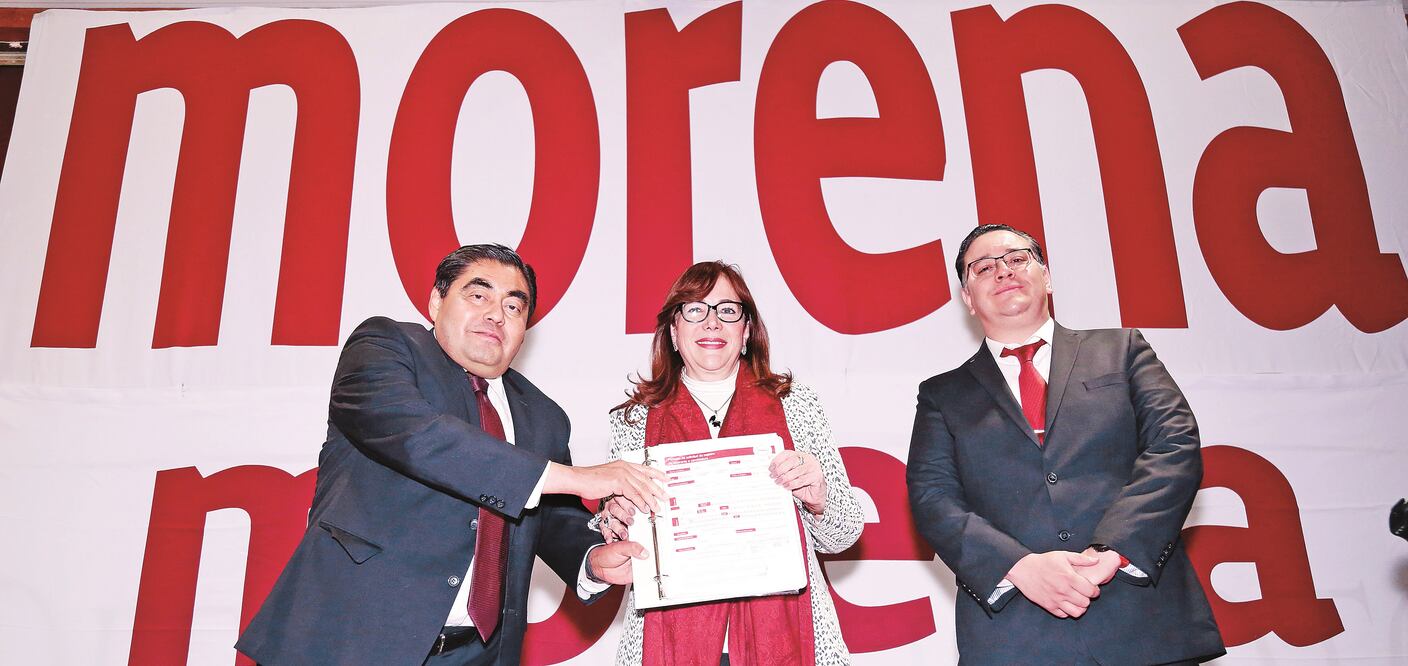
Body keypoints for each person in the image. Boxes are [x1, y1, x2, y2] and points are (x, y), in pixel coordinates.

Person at [236, 244, 666, 665]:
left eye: (514, 307)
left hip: (479, 653)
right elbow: (418, 437)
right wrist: (582, 477)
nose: (497, 314)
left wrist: (592, 560)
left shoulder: (544, 416)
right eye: (478, 295)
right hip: (350, 639)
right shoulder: (386, 347)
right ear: (436, 301)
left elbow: (550, 515)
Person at [906, 225, 1225, 664]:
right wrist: (1019, 568)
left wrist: (1114, 550)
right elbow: (932, 498)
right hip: (1015, 636)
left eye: (1017, 259)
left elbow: (1174, 446)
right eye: (983, 268)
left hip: (1142, 620)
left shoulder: (1122, 349)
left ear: (1047, 277)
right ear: (967, 298)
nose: (1003, 272)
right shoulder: (943, 394)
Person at [600, 261, 863, 665]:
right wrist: (614, 522)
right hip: (666, 635)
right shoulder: (634, 420)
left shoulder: (797, 405)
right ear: (673, 331)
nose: (711, 323)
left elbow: (843, 536)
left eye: (727, 310)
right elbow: (619, 544)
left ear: (746, 332)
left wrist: (819, 496)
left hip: (789, 630)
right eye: (694, 309)